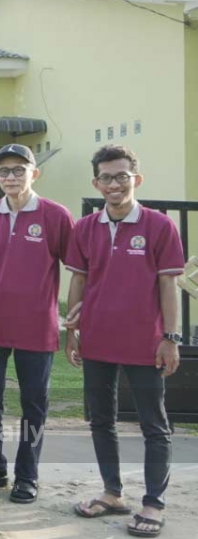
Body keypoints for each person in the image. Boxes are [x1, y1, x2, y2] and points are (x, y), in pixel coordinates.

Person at [66, 146, 184, 538]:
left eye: (121, 176)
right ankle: (112, 493)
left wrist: (169, 337)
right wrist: (73, 332)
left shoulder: (160, 226)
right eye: (106, 177)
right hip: (96, 339)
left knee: (154, 423)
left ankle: (154, 503)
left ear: (137, 179)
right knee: (101, 419)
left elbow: (169, 285)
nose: (114, 184)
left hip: (144, 342)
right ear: (96, 183)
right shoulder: (84, 229)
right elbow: (79, 281)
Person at [0, 143, 73, 504]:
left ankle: (27, 476)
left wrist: (75, 317)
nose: (11, 176)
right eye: (4, 171)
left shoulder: (56, 215)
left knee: (33, 404)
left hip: (37, 327)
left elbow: (76, 267)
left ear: (34, 173)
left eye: (18, 170)